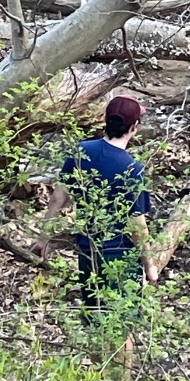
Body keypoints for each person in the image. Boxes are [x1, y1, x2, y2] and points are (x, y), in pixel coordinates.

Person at [31, 94, 157, 341]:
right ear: (134, 128)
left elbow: (58, 198)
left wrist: (43, 238)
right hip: (120, 257)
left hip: (87, 251)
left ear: (105, 121)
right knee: (122, 327)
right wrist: (149, 266)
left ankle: (98, 366)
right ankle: (123, 365)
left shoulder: (82, 151)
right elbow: (137, 225)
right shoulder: (133, 169)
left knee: (95, 319)